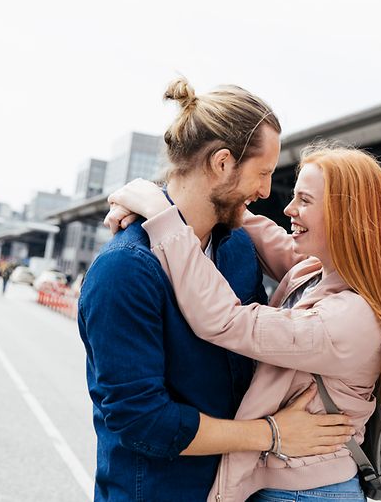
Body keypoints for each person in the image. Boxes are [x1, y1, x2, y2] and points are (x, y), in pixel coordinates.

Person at [79, 78, 354, 502]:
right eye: (262, 173)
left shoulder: (238, 247)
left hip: (230, 490)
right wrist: (272, 434)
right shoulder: (125, 270)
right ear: (223, 163)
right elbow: (142, 420)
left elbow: (287, 329)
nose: (265, 191)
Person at [107, 143, 381, 502]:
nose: (287, 209)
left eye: (305, 200)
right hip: (291, 483)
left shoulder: (349, 319)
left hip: (309, 493)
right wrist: (168, 195)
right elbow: (254, 226)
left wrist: (161, 214)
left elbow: (224, 320)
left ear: (344, 215)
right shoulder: (314, 270)